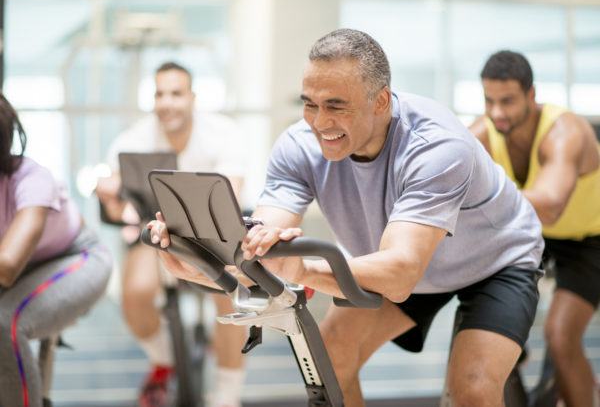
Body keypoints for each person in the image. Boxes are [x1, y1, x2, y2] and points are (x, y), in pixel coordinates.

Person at [147, 29, 545, 406]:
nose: (320, 123)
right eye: (309, 103)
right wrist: (205, 261)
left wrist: (300, 270)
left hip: (495, 262)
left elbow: (402, 272)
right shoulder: (299, 147)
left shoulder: (437, 145)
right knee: (332, 362)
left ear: (381, 101)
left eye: (336, 106)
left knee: (473, 391)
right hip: (395, 261)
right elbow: (263, 242)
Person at [95, 62, 247, 407]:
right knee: (134, 292)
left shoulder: (224, 133)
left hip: (210, 233)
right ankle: (163, 361)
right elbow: (120, 212)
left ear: (192, 97)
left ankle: (227, 396)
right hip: (153, 232)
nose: (167, 103)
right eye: (160, 94)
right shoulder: (130, 139)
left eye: (176, 93)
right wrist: (110, 195)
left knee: (231, 297)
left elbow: (232, 197)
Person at [469, 50, 600, 407]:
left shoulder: (564, 131)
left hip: (588, 238)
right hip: (530, 234)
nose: (497, 112)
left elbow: (552, 205)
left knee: (560, 337)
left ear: (531, 95)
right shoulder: (481, 132)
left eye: (508, 101)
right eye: (489, 101)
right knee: (487, 327)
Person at [0, 93, 112, 407]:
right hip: (26, 270)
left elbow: (7, 267)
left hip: (78, 257)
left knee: (6, 321)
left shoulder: (32, 178)